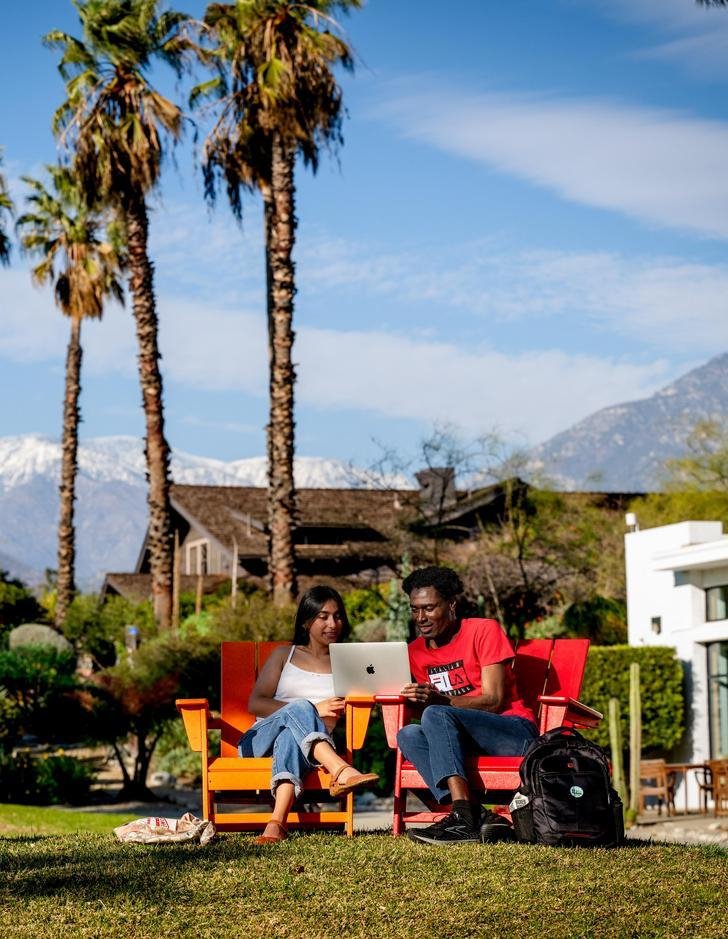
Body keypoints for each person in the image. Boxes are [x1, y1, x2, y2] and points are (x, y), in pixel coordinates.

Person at [397, 566, 538, 845]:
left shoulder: (484, 630)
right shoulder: (415, 651)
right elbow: (433, 717)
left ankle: (463, 819)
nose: (421, 618)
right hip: (461, 738)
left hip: (513, 732)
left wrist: (439, 702)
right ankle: (476, 815)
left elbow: (495, 700)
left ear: (451, 605)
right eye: (415, 610)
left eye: (429, 608)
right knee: (408, 734)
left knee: (436, 713)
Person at [238, 585, 378, 844]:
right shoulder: (284, 655)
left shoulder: (347, 663)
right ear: (306, 621)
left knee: (291, 739)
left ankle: (276, 824)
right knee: (302, 706)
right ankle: (340, 769)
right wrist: (313, 709)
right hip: (259, 741)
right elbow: (256, 703)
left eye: (337, 616)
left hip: (307, 750)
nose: (332, 623)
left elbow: (369, 697)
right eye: (323, 616)